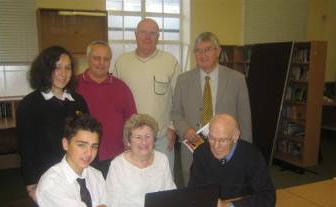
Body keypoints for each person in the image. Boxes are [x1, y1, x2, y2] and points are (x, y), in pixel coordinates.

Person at [36, 114, 143, 207]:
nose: (88, 153)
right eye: (81, 145)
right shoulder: (51, 184)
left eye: (94, 147)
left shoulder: (95, 175)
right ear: (66, 144)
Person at [171, 32, 252, 185]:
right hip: (193, 146)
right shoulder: (183, 80)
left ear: (218, 51)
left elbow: (245, 117)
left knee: (227, 186)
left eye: (208, 49)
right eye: (198, 51)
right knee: (194, 189)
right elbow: (175, 112)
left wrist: (245, 150)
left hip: (226, 145)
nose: (203, 54)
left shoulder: (237, 79)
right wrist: (185, 130)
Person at [16, 46, 89, 201]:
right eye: (57, 67)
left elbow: (87, 138)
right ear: (45, 70)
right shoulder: (29, 105)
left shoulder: (78, 101)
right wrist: (31, 183)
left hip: (77, 172)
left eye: (68, 68)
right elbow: (26, 148)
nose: (63, 74)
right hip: (47, 177)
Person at [113, 18, 181, 174]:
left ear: (158, 37)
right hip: (131, 139)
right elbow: (115, 100)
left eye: (152, 33)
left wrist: (172, 127)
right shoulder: (122, 62)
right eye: (143, 32)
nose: (147, 37)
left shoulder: (170, 62)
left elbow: (178, 98)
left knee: (163, 185)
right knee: (133, 182)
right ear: (135, 35)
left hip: (161, 138)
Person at [188, 114, 275, 207]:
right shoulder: (201, 154)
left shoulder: (251, 156)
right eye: (211, 138)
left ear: (236, 136)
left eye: (222, 140)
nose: (216, 146)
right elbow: (193, 193)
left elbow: (268, 197)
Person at [77, 40, 136, 178]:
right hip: (82, 157)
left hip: (115, 156)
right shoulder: (74, 85)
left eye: (106, 59)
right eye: (96, 58)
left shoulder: (121, 87)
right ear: (88, 59)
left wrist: (130, 147)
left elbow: (132, 122)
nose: (101, 63)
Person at [106, 114, 176, 207]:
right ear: (129, 142)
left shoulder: (162, 159)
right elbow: (110, 203)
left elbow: (170, 193)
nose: (144, 142)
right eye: (138, 137)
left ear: (154, 139)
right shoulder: (117, 165)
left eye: (148, 136)